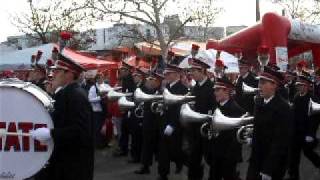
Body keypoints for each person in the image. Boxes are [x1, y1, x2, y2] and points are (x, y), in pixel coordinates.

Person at [31, 54, 94, 180]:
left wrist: (51, 133)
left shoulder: (75, 95)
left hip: (73, 165)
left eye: (57, 71)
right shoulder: (67, 92)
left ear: (69, 74)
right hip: (66, 162)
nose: (53, 74)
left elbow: (81, 132)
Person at [246, 66, 292, 180]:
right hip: (256, 158)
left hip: (273, 163)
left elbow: (280, 141)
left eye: (263, 83)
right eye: (259, 82)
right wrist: (252, 137)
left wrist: (268, 169)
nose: (259, 86)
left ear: (274, 85)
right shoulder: (258, 101)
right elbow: (258, 127)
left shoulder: (284, 107)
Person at [286, 73, 320, 180]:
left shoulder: (313, 98)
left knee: (308, 152)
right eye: (299, 85)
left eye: (302, 85)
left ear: (307, 86)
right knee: (293, 156)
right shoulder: (296, 97)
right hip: (296, 132)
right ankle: (293, 176)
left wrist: (311, 134)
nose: (299, 87)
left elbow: (315, 120)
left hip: (306, 132)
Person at [209, 77, 245, 180]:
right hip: (216, 150)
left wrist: (230, 157)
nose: (215, 93)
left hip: (228, 154)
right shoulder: (215, 106)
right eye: (214, 90)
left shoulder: (236, 109)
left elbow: (236, 137)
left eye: (217, 90)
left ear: (227, 91)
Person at [157, 64, 188, 180]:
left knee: (176, 150)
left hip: (175, 125)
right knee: (163, 150)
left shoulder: (183, 89)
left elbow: (180, 109)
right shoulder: (167, 87)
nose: (166, 76)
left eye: (168, 74)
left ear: (176, 74)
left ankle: (181, 162)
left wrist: (173, 125)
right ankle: (163, 174)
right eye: (165, 74)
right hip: (164, 121)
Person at [187, 59, 216, 180]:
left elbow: (213, 109)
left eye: (193, 70)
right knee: (194, 159)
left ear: (202, 71)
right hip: (194, 129)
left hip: (206, 130)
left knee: (210, 159)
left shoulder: (212, 87)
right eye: (191, 70)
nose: (191, 73)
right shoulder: (195, 87)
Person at [134, 72, 164, 174]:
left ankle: (162, 170)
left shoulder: (162, 91)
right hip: (148, 122)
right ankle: (145, 166)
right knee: (146, 145)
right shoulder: (147, 90)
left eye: (151, 80)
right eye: (149, 79)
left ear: (157, 81)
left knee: (160, 148)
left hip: (158, 123)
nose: (149, 81)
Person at [114, 61, 136, 157]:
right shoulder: (125, 80)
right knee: (124, 130)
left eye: (122, 70)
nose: (121, 72)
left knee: (129, 130)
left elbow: (130, 95)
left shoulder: (130, 80)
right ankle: (123, 149)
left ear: (127, 71)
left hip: (129, 109)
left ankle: (127, 149)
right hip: (126, 108)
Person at [88, 73, 109, 148]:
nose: (101, 79)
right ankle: (98, 144)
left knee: (105, 127)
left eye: (102, 77)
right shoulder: (93, 88)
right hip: (97, 111)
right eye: (99, 78)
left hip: (105, 110)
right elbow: (90, 99)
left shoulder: (106, 86)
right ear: (96, 79)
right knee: (98, 128)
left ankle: (105, 143)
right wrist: (100, 98)